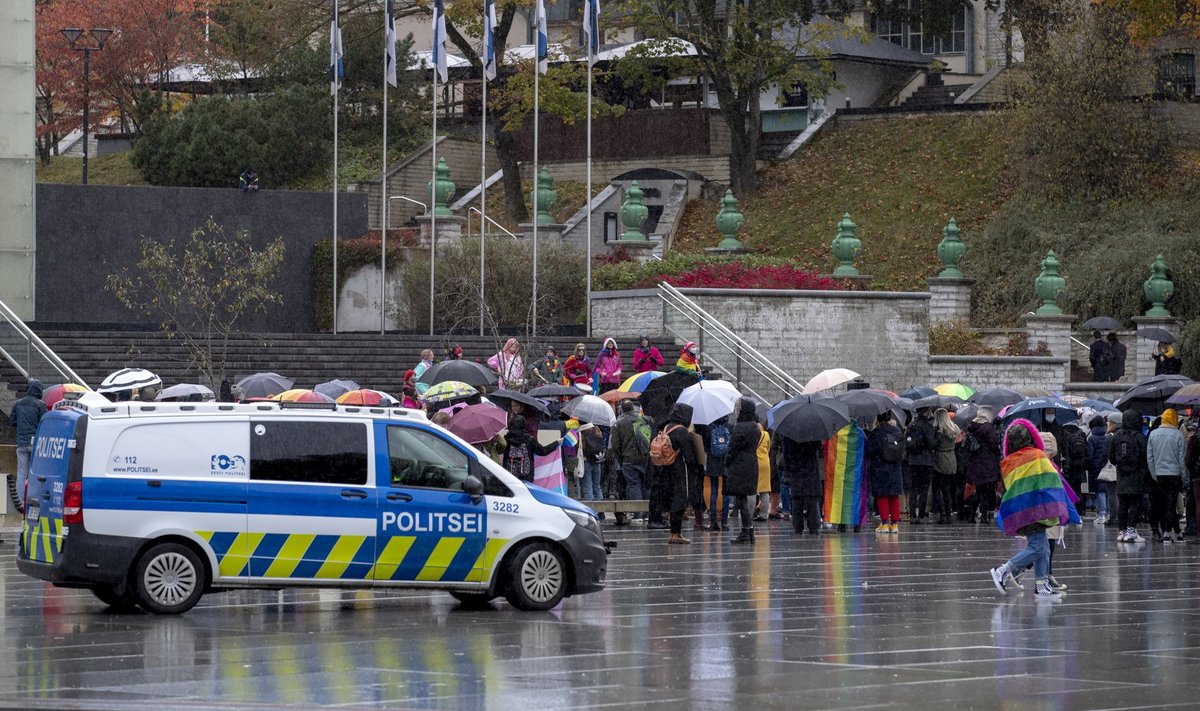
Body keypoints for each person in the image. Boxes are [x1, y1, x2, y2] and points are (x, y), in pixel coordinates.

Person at [988, 419, 1078, 600]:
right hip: (1036, 510)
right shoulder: (1037, 455)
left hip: (1020, 510)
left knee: (1043, 548)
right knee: (1037, 548)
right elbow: (1051, 480)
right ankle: (1004, 570)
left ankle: (1042, 586)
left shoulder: (1009, 461)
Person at [649, 402, 698, 544]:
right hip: (677, 470)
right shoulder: (682, 431)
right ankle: (676, 534)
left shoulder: (666, 427)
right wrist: (695, 466)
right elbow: (689, 455)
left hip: (665, 468)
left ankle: (673, 533)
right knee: (679, 501)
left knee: (671, 500)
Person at [724, 398, 761, 544]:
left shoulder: (739, 427)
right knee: (744, 498)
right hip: (751, 463)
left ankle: (746, 530)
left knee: (741, 500)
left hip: (739, 466)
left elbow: (732, 448)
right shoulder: (755, 427)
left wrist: (726, 461)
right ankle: (749, 530)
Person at [1147, 407, 1187, 542]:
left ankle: (1177, 531)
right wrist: (1184, 476)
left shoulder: (1153, 435)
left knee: (1166, 503)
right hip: (1175, 474)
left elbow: (1150, 458)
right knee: (1170, 503)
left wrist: (1154, 474)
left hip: (1159, 474)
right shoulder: (1179, 435)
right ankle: (1168, 532)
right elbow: (1182, 458)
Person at [1109, 408, 1150, 543]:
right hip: (1137, 476)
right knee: (1135, 504)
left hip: (1121, 476)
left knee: (1123, 504)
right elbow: (1146, 457)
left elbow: (1112, 458)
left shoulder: (1117, 436)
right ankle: (1131, 529)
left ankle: (1122, 531)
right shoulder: (1140, 437)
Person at [610, 400, 653, 517]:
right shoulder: (646, 419)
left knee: (634, 485)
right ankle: (648, 513)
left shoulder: (618, 424)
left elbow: (615, 445)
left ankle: (638, 513)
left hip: (628, 459)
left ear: (622, 410)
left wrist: (621, 459)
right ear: (633, 409)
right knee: (646, 484)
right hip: (646, 457)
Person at [10, 379, 46, 509]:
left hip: (21, 443)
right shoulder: (40, 404)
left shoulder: (18, 404)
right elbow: (45, 423)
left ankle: (21, 502)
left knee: (21, 473)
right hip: (35, 444)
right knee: (35, 472)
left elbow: (12, 421)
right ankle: (34, 499)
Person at [865, 412, 904, 533]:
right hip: (895, 467)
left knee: (882, 496)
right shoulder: (897, 431)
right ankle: (895, 524)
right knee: (894, 495)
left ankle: (885, 523)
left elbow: (870, 450)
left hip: (880, 467)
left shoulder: (876, 433)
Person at [963, 407, 1002, 523]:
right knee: (986, 491)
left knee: (979, 490)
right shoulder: (988, 428)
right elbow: (994, 445)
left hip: (975, 464)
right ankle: (984, 516)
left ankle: (972, 515)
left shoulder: (972, 427)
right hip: (987, 464)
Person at [780, 436, 824, 535]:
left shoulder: (789, 434)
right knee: (812, 500)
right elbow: (819, 447)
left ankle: (798, 528)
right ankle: (813, 527)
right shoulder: (813, 432)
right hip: (811, 470)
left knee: (797, 500)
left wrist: (787, 473)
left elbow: (786, 455)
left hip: (796, 470)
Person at [501, 414, 559, 482]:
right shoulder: (529, 440)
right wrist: (556, 443)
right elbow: (543, 451)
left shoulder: (506, 439)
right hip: (526, 476)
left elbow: (499, 450)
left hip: (509, 476)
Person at [905, 407, 936, 523]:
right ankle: (921, 515)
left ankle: (913, 515)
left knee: (913, 488)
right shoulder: (927, 426)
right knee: (924, 489)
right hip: (926, 461)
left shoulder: (912, 425)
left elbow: (907, 442)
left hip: (913, 461)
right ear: (926, 411)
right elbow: (931, 443)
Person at [932, 408, 960, 525]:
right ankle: (948, 514)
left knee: (936, 488)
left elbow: (934, 444)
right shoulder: (954, 429)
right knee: (947, 489)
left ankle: (943, 513)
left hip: (940, 460)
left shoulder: (939, 431)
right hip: (952, 459)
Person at [704, 416, 732, 530]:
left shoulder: (708, 427)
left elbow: (706, 445)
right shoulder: (729, 426)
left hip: (712, 461)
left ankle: (713, 521)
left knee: (714, 491)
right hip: (725, 461)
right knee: (726, 492)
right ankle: (725, 522)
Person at [1086, 414, 1112, 525]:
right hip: (1106, 466)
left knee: (1099, 491)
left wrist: (1088, 465)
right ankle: (1108, 513)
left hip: (1095, 468)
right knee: (1106, 490)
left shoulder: (1092, 438)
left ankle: (1101, 513)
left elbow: (1090, 455)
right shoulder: (1108, 436)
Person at [579, 422, 607, 500]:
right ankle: (601, 508)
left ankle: (590, 508)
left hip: (586, 462)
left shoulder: (580, 432)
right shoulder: (596, 429)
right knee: (597, 486)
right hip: (597, 460)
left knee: (588, 486)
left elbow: (579, 448)